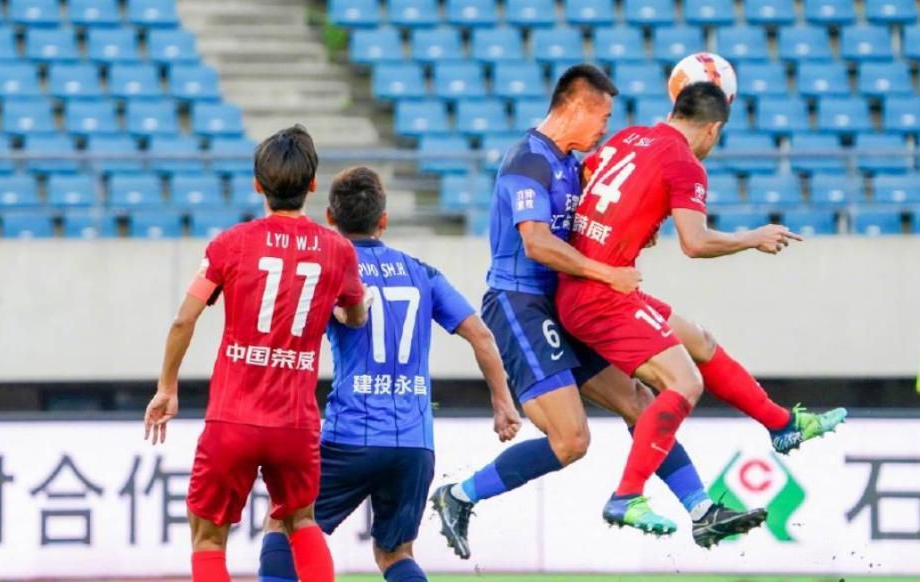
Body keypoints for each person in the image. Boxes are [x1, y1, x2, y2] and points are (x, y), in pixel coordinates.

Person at [431, 65, 767, 558]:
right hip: (521, 304)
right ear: (577, 107)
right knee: (571, 441)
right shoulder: (529, 160)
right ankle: (459, 496)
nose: (606, 128)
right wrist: (607, 273)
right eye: (603, 116)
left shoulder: (572, 162)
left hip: (570, 303)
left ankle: (701, 511)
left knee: (640, 400)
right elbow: (538, 242)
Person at [556, 82, 847, 533]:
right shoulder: (684, 164)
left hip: (590, 282)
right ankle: (626, 496)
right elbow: (695, 243)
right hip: (601, 296)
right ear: (712, 129)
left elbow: (586, 183)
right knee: (684, 382)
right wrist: (753, 237)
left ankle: (781, 424)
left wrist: (629, 224)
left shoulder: (628, 137)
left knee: (700, 341)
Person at [257, 166, 522, 582]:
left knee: (285, 525)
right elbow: (482, 336)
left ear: (330, 217)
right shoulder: (423, 273)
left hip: (350, 435)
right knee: (395, 554)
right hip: (414, 444)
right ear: (384, 220)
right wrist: (503, 402)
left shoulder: (329, 271)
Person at [143, 125, 369, 582]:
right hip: (295, 422)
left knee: (208, 539)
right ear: (311, 185)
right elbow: (356, 315)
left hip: (233, 419)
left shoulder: (231, 244)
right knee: (301, 522)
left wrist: (167, 386)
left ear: (257, 185)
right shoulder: (338, 250)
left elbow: (184, 320)